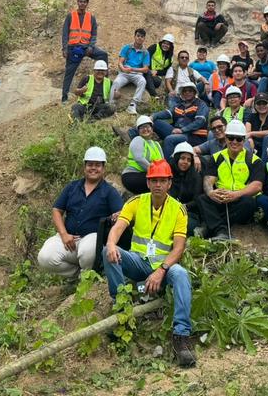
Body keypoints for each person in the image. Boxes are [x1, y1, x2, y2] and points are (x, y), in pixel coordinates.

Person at [104, 159, 196, 368]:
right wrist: (110, 244)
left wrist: (161, 270)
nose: (158, 185)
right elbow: (118, 227)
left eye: (162, 180)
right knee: (107, 252)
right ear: (147, 182)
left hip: (163, 266)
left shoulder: (178, 209)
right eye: (154, 180)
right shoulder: (135, 202)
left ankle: (181, 336)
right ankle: (121, 306)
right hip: (138, 262)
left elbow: (178, 248)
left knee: (181, 274)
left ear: (169, 183)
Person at [39, 147, 123, 278]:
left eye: (97, 165)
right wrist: (64, 234)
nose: (93, 168)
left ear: (103, 168)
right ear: (84, 167)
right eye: (90, 164)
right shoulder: (72, 187)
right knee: (45, 257)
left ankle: (88, 275)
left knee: (87, 250)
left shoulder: (109, 192)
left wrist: (117, 216)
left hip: (92, 239)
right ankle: (78, 275)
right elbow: (56, 210)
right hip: (69, 239)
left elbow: (121, 214)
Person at [198, 120, 263, 241]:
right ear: (226, 138)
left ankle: (212, 226)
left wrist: (236, 194)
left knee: (248, 202)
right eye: (231, 138)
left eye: (238, 139)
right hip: (221, 197)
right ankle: (221, 230)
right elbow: (208, 180)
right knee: (202, 198)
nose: (234, 142)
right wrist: (211, 192)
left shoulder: (254, 160)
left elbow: (257, 185)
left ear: (244, 140)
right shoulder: (217, 157)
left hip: (240, 199)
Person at [61, 0, 108, 103]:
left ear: (87, 4)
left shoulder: (91, 17)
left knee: (103, 55)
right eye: (80, 1)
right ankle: (64, 97)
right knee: (69, 72)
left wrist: (91, 47)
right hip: (73, 48)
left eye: (84, 2)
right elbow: (65, 33)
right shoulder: (70, 16)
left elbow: (94, 34)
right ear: (78, 2)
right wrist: (65, 48)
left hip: (86, 47)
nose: (82, 3)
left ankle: (105, 85)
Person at [150, 82, 210, 159]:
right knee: (154, 122)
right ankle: (138, 141)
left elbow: (199, 122)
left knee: (169, 139)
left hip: (194, 136)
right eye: (185, 91)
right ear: (182, 93)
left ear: (195, 92)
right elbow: (167, 113)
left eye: (190, 91)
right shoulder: (180, 105)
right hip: (178, 132)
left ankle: (168, 164)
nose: (187, 93)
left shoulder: (201, 104)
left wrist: (182, 130)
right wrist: (152, 117)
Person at [111, 27, 151, 115]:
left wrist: (133, 69)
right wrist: (123, 69)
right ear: (134, 36)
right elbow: (120, 62)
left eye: (142, 37)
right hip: (124, 73)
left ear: (144, 39)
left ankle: (132, 105)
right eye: (138, 36)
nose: (139, 38)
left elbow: (145, 69)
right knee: (116, 82)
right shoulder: (127, 48)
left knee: (143, 81)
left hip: (137, 74)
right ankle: (110, 104)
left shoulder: (145, 52)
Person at [122, 115, 165, 194]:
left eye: (147, 126)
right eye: (142, 127)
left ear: (152, 128)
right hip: (133, 175)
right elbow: (139, 159)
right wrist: (156, 172)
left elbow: (163, 162)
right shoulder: (138, 140)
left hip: (149, 174)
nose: (145, 129)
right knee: (159, 182)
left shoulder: (156, 144)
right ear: (138, 131)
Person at [170, 141, 203, 234]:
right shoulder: (168, 174)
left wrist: (184, 206)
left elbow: (197, 199)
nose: (185, 162)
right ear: (176, 158)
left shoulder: (195, 176)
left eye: (189, 160)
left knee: (187, 226)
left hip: (189, 213)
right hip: (169, 210)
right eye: (182, 158)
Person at [244, 92, 268, 160]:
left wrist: (252, 133)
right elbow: (247, 133)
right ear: (255, 105)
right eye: (259, 104)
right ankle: (248, 163)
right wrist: (250, 139)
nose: (262, 106)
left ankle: (263, 164)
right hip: (254, 145)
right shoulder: (251, 116)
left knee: (267, 138)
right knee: (247, 140)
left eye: (264, 103)